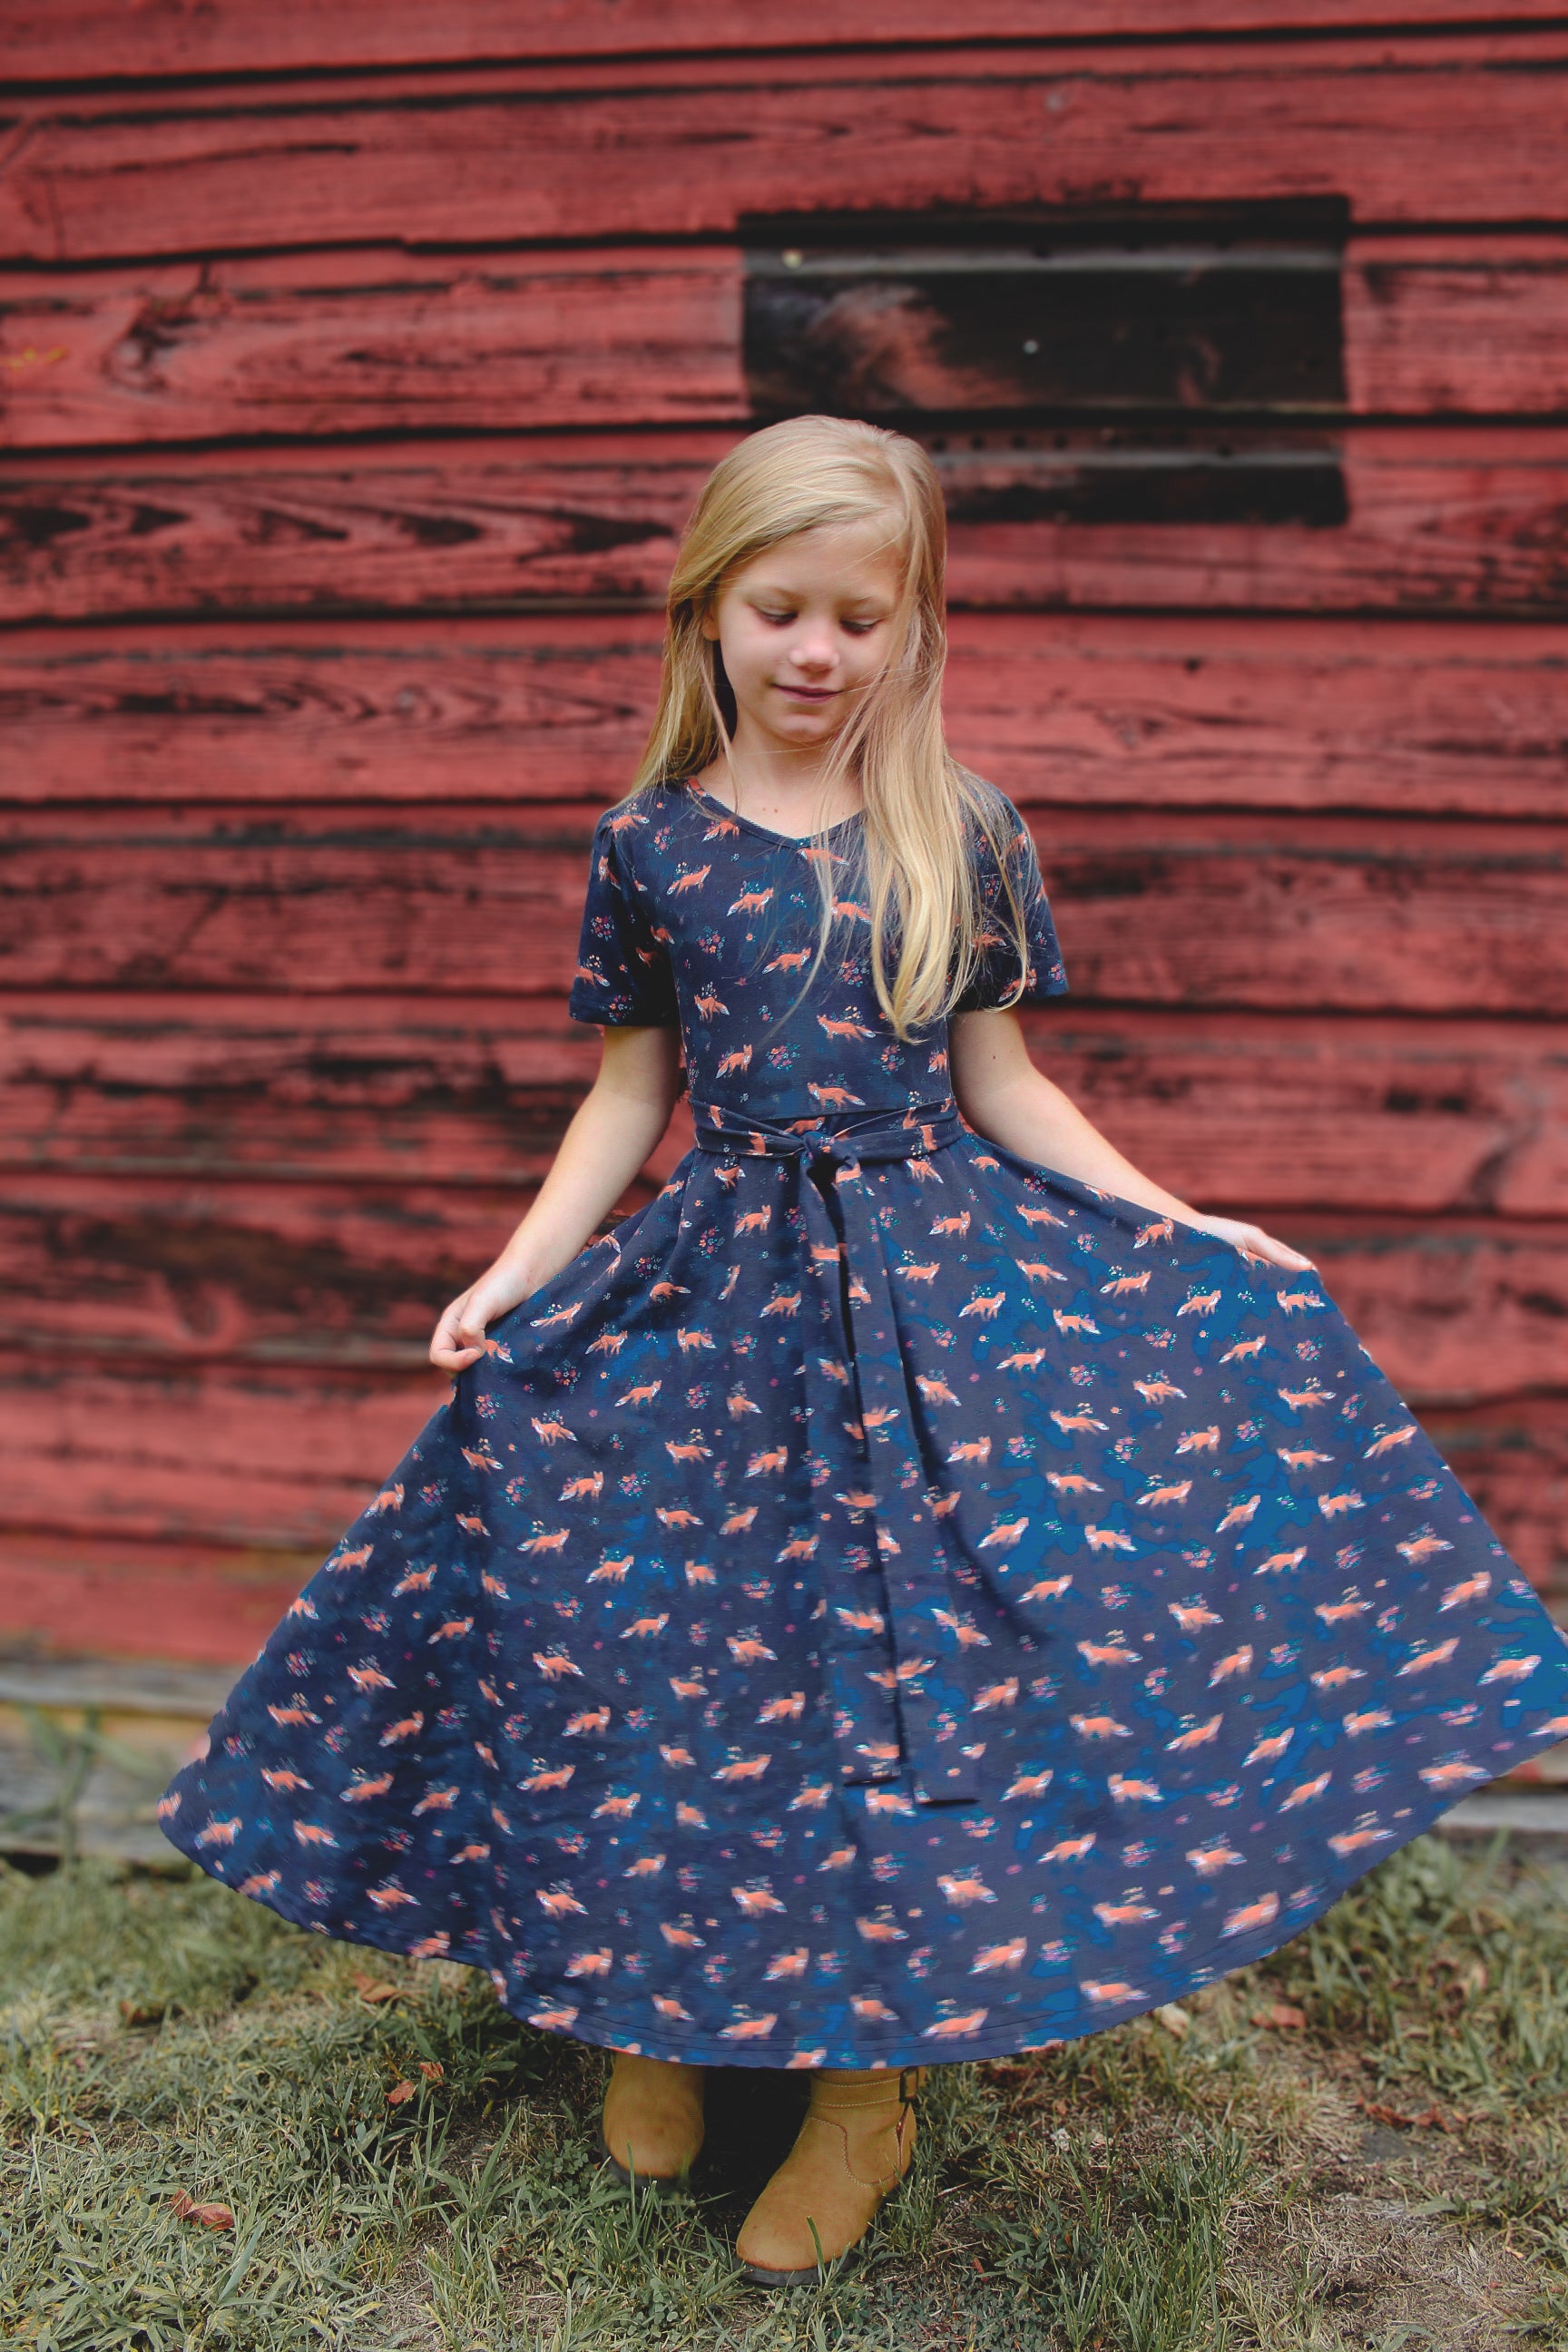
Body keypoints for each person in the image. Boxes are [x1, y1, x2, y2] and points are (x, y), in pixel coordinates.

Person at [160, 415, 1568, 2288]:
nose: (817, 651)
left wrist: (1177, 1218)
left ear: (911, 627)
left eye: (859, 616)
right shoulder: (651, 841)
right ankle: (656, 2009)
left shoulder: (962, 830)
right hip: (715, 1298)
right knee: (656, 1649)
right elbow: (627, 1095)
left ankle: (859, 2094)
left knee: (891, 1680)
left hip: (928, 1303)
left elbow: (1008, 1085)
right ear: (710, 613)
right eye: (780, 610)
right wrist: (509, 1277)